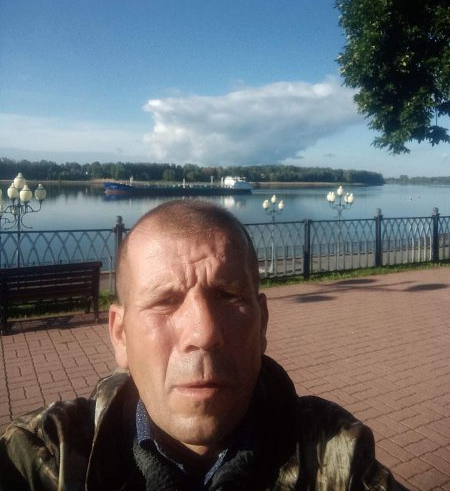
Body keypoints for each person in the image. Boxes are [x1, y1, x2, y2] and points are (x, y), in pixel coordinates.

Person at [0, 200, 399, 490]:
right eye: (165, 301)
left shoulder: (332, 452)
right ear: (120, 334)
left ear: (262, 322)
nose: (204, 333)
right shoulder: (45, 454)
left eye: (228, 295)